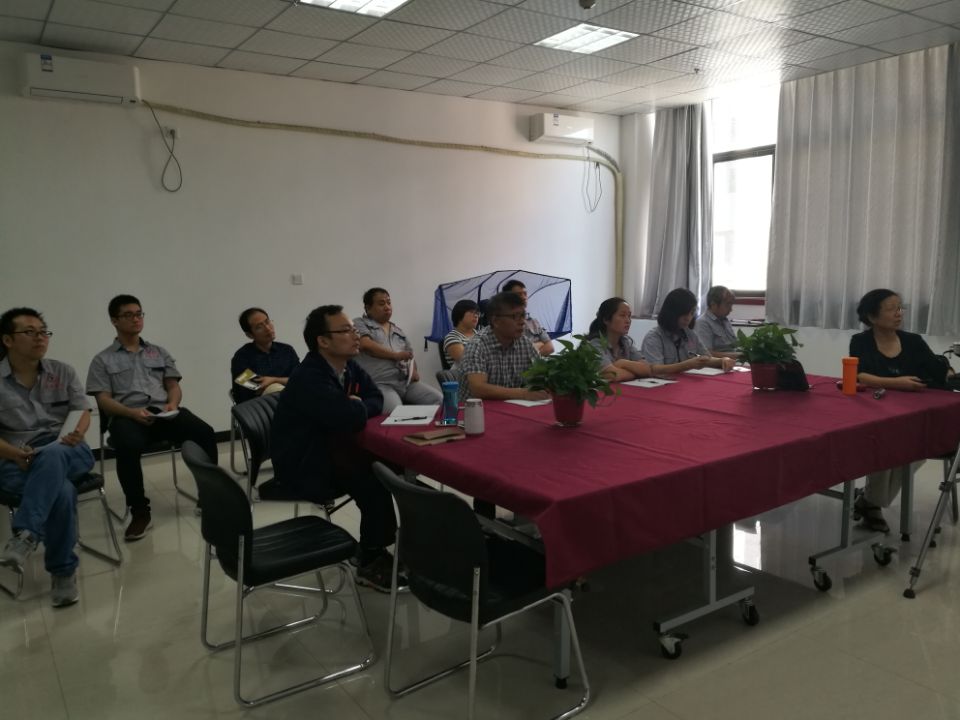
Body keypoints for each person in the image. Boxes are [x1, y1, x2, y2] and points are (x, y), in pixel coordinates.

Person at [271, 305, 403, 592]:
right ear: (323, 341)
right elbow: (347, 418)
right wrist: (353, 409)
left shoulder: (348, 365)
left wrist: (356, 405)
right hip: (304, 464)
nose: (355, 335)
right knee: (375, 478)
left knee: (393, 466)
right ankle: (370, 559)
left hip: (332, 449)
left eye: (354, 329)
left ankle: (395, 542)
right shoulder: (310, 377)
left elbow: (375, 397)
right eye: (346, 330)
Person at [86, 294, 218, 541]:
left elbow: (173, 386)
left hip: (163, 414)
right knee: (127, 446)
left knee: (205, 432)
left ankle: (210, 496)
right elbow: (103, 400)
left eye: (139, 314)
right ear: (114, 320)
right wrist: (131, 413)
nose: (136, 319)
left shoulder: (158, 352)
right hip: (127, 416)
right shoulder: (102, 360)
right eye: (128, 315)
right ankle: (140, 512)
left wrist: (173, 404)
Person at [0, 308, 93, 608]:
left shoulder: (62, 371)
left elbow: (82, 411)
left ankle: (26, 533)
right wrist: (14, 454)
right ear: (7, 340)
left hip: (68, 449)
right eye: (30, 332)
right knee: (61, 491)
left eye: (43, 332)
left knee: (53, 454)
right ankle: (63, 573)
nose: (40, 337)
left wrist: (77, 432)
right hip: (16, 458)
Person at [849, 288, 956, 532]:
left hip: (913, 415)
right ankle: (872, 503)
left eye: (900, 308)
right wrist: (896, 383)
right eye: (891, 309)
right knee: (884, 448)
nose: (899, 313)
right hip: (877, 411)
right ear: (872, 316)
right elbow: (860, 375)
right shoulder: (860, 341)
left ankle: (869, 500)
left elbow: (938, 367)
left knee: (916, 452)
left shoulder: (913, 341)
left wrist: (948, 372)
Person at [354, 288, 442, 415]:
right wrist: (395, 355)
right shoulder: (359, 323)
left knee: (439, 400)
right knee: (396, 412)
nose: (387, 307)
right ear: (368, 308)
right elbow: (366, 345)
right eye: (381, 303)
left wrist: (414, 371)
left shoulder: (398, 331)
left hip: (405, 383)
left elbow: (410, 356)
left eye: (389, 303)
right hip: (380, 383)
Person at [459, 291, 550, 402]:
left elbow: (541, 376)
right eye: (515, 316)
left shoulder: (524, 342)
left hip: (512, 406)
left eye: (523, 316)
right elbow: (478, 389)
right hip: (477, 410)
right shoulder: (477, 345)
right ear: (496, 321)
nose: (522, 322)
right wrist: (522, 393)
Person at [641, 289, 736, 374]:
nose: (688, 318)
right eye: (684, 313)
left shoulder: (689, 333)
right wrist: (687, 365)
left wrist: (722, 360)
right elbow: (654, 370)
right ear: (671, 312)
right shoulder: (654, 338)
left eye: (691, 313)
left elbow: (706, 358)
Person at [230, 307, 300, 404]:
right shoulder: (241, 357)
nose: (267, 328)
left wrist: (273, 380)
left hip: (291, 402)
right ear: (250, 335)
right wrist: (284, 381)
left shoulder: (287, 351)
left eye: (267, 322)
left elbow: (300, 379)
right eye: (259, 327)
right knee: (274, 388)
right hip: (257, 408)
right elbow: (257, 387)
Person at [585, 298, 652, 381]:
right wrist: (636, 372)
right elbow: (612, 375)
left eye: (629, 316)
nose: (628, 320)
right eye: (622, 315)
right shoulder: (594, 344)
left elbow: (647, 369)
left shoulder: (625, 342)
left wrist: (622, 363)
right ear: (606, 320)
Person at [502, 279, 555, 356]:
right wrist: (539, 344)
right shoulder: (502, 324)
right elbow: (513, 353)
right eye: (519, 294)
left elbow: (550, 348)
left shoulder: (533, 322)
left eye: (525, 294)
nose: (524, 297)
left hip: (537, 363)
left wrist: (530, 353)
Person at [695, 286, 741, 358]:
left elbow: (734, 345)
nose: (731, 309)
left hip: (733, 360)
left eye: (731, 305)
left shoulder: (725, 320)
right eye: (727, 304)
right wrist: (736, 355)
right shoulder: (702, 323)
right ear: (713, 304)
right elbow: (705, 353)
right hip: (718, 363)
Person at [442, 299, 480, 370]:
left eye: (477, 313)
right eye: (472, 312)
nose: (476, 316)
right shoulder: (452, 337)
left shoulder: (481, 334)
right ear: (459, 315)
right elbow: (468, 361)